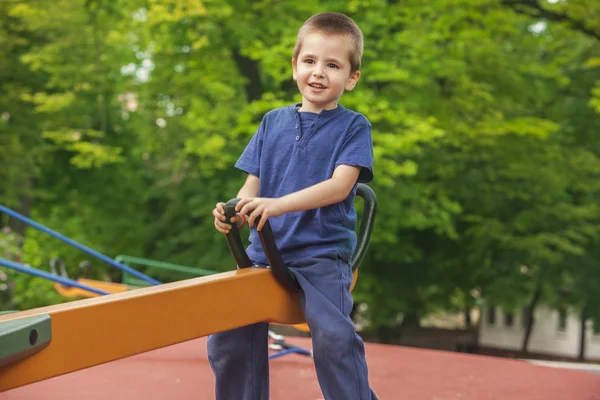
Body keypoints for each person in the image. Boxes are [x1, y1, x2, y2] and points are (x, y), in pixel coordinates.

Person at [209, 11, 377, 400]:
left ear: (351, 78)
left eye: (333, 65)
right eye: (310, 61)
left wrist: (278, 205)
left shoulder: (353, 126)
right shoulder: (272, 122)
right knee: (227, 337)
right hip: (263, 255)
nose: (318, 72)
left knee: (334, 338)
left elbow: (340, 187)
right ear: (294, 66)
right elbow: (251, 188)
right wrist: (232, 212)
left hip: (320, 256)